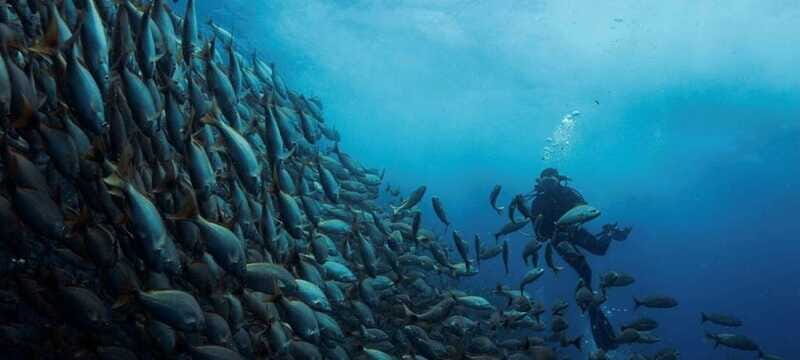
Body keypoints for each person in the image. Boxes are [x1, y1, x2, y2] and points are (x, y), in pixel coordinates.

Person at [528, 167, 631, 351]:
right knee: (585, 270)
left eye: (552, 180)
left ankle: (609, 232)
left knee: (600, 249)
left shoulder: (568, 192)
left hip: (574, 231)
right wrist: (551, 233)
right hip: (558, 239)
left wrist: (575, 223)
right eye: (546, 181)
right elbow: (538, 231)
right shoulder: (537, 201)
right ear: (540, 182)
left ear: (558, 180)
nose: (550, 184)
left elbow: (585, 209)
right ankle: (594, 310)